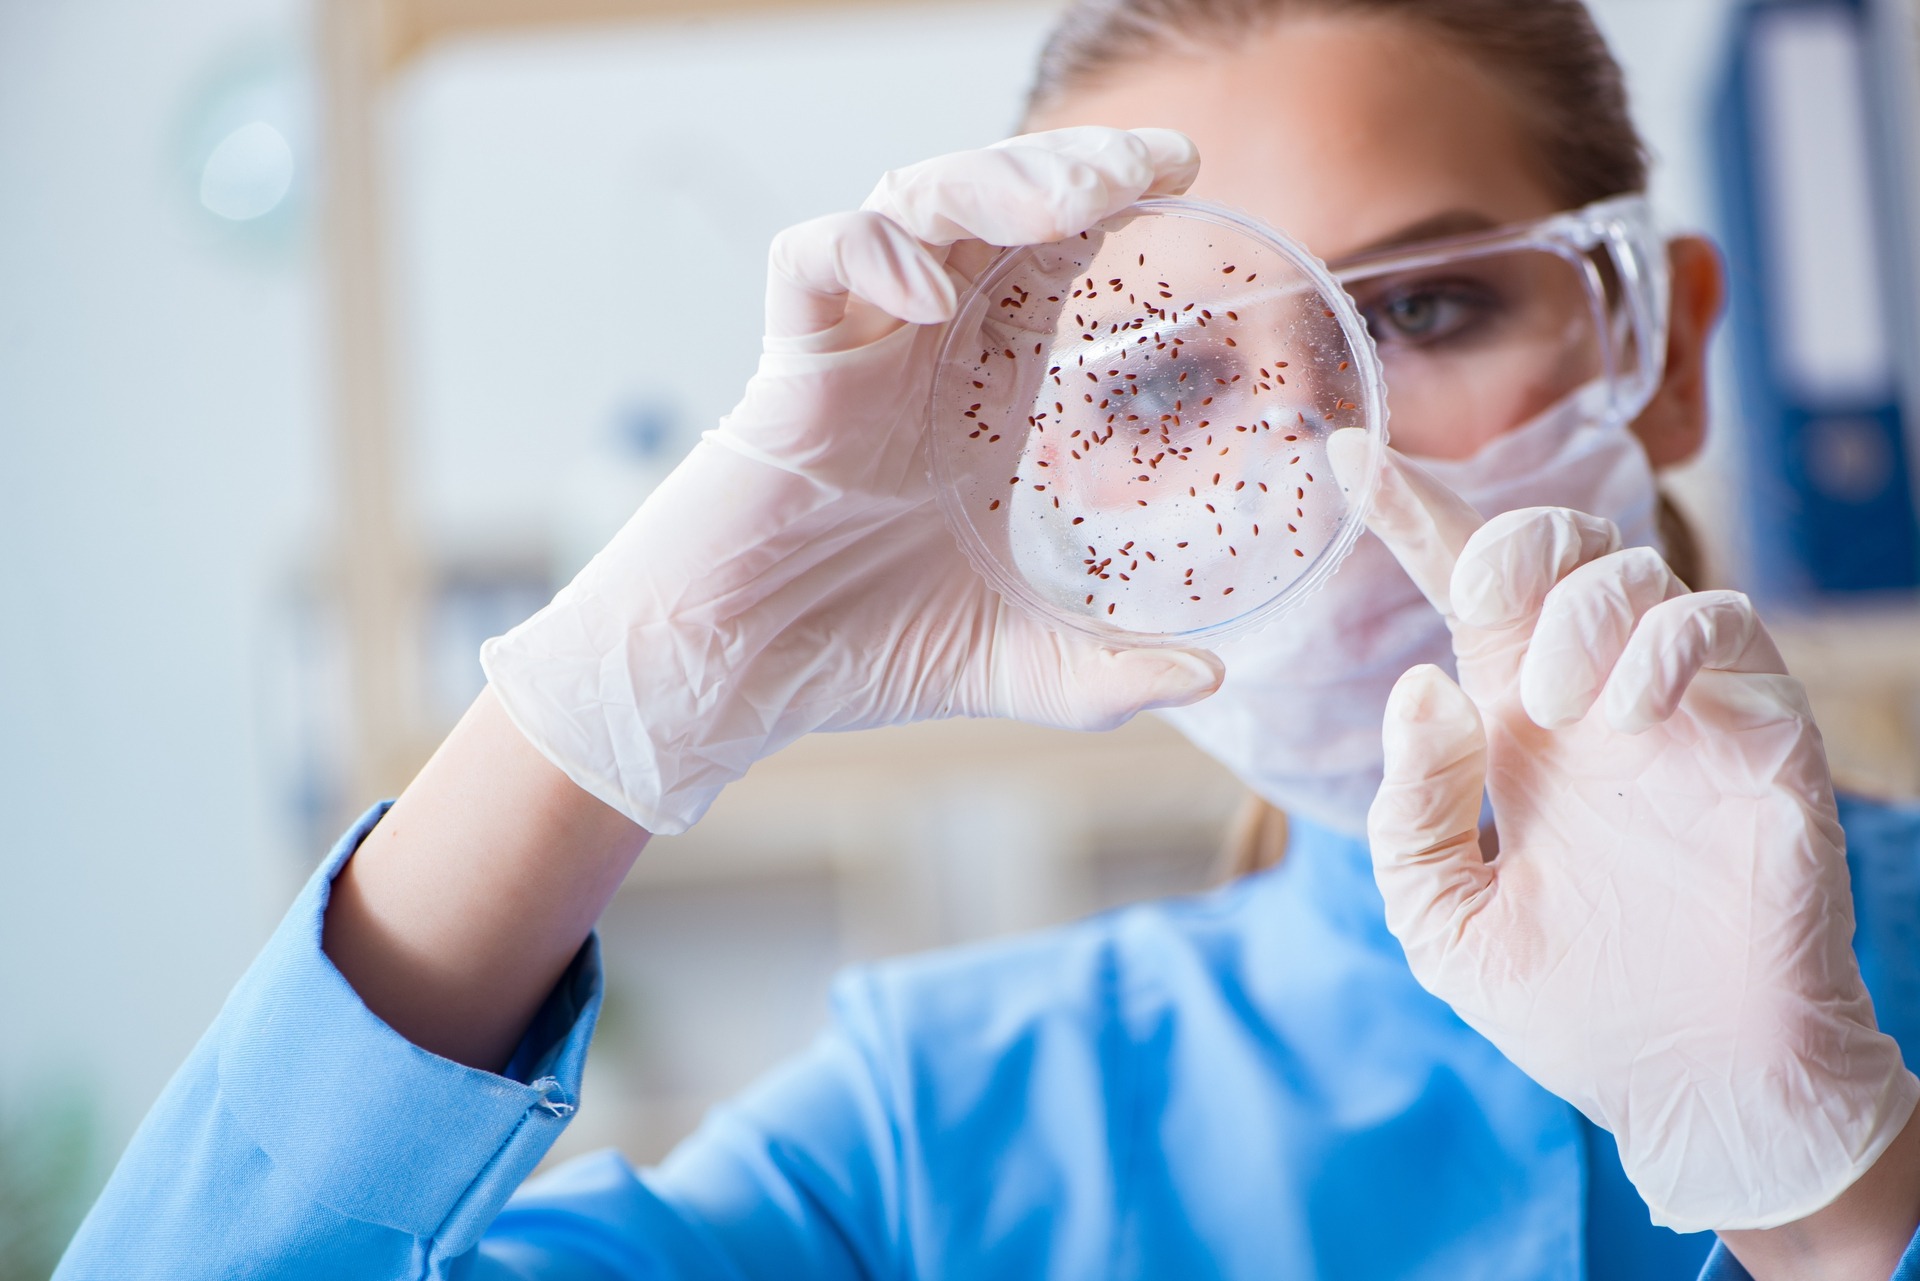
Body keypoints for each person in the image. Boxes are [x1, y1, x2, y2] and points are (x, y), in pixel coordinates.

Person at [56, 1, 1920, 1277]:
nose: (1321, 456)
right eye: (1171, 377)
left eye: (1425, 306)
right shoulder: (933, 1142)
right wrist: (605, 703)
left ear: (1658, 340)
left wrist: (1843, 1209)